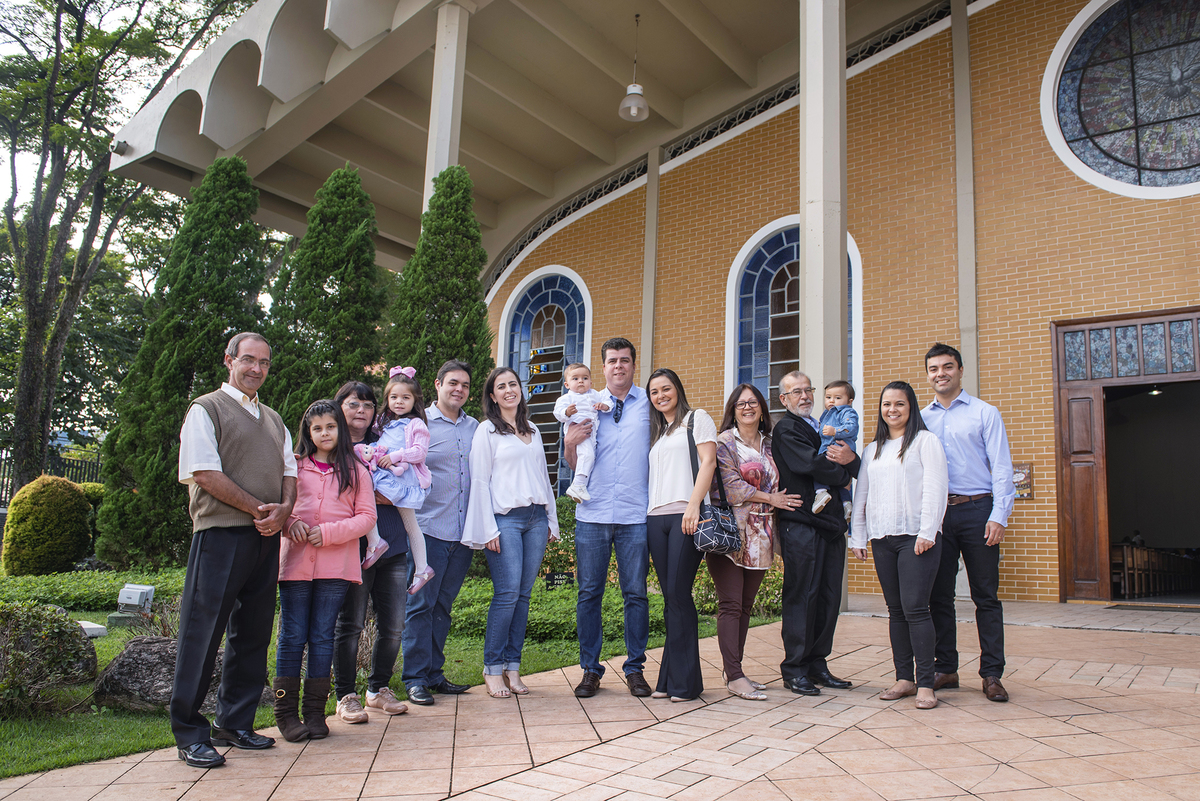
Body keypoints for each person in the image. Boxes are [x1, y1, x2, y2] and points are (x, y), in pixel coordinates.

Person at [172, 332, 297, 769]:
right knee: (201, 632)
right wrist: (258, 508)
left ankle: (235, 723)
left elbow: (289, 472)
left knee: (253, 632)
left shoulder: (274, 419)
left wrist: (282, 511)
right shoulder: (206, 409)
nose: (256, 369)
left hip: (265, 537)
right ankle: (190, 731)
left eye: (263, 362)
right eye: (248, 360)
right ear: (229, 361)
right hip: (222, 534)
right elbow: (204, 472)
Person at [275, 400, 377, 741]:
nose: (324, 433)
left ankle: (315, 713)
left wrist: (330, 533)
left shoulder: (356, 470)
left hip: (336, 568)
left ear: (340, 429)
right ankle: (286, 714)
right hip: (295, 565)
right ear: (308, 432)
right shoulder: (295, 467)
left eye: (330, 427)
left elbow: (367, 517)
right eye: (316, 428)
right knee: (292, 637)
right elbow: (281, 508)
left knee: (321, 636)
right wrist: (291, 524)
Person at [921, 343, 1016, 702]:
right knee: (938, 596)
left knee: (985, 597)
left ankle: (992, 673)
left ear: (960, 370)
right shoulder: (921, 417)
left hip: (978, 510)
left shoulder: (984, 413)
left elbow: (1002, 467)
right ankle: (945, 668)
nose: (940, 373)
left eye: (947, 367)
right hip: (938, 515)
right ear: (928, 374)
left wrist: (999, 516)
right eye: (933, 368)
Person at [563, 337, 653, 699]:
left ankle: (635, 669)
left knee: (636, 594)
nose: (619, 366)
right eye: (612, 361)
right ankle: (590, 670)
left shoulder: (649, 403)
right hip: (593, 512)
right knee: (589, 594)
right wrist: (570, 443)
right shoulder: (582, 401)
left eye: (625, 360)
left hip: (635, 514)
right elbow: (573, 461)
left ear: (634, 364)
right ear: (603, 367)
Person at [850, 382, 948, 710]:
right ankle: (903, 678)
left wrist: (928, 531)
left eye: (900, 404)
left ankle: (925, 684)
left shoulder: (925, 441)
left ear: (911, 407)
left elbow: (937, 487)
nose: (892, 410)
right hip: (882, 538)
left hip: (916, 537)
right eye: (887, 404)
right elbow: (861, 494)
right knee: (895, 610)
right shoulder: (872, 449)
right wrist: (859, 536)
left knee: (916, 608)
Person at [462, 368, 559, 698]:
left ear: (521, 389)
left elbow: (544, 477)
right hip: (504, 521)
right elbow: (479, 481)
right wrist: (486, 526)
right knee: (506, 594)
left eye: (513, 384)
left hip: (535, 520)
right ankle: (492, 669)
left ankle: (512, 667)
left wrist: (552, 520)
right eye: (500, 386)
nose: (508, 390)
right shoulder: (486, 431)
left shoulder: (532, 428)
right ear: (492, 395)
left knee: (523, 595)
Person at [710, 384, 802, 701]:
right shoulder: (724, 442)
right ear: (732, 409)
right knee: (731, 605)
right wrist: (771, 497)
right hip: (731, 532)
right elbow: (732, 488)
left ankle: (733, 669)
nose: (747, 407)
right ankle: (734, 676)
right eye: (741, 403)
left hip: (763, 534)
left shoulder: (772, 445)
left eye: (753, 402)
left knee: (746, 606)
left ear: (762, 408)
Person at [772, 370, 860, 697]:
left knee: (828, 597)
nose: (805, 396)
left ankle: (817, 664)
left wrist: (852, 463)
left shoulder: (823, 423)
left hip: (832, 526)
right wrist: (844, 473)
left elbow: (850, 457)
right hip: (802, 525)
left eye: (808, 390)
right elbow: (808, 464)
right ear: (784, 399)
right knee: (803, 596)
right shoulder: (787, 428)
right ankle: (794, 668)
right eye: (796, 392)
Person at [331, 381, 411, 723]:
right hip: (355, 547)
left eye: (366, 405)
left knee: (393, 624)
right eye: (353, 404)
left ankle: (378, 689)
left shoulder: (384, 444)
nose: (361, 410)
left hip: (392, 541)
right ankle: (346, 695)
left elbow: (409, 482)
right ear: (340, 408)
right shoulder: (331, 447)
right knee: (351, 623)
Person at [402, 360, 477, 706]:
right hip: (427, 532)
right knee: (420, 605)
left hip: (461, 536)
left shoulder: (476, 427)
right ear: (437, 384)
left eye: (464, 384)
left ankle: (434, 673)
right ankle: (415, 678)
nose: (458, 389)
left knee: (442, 607)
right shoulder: (419, 426)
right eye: (452, 383)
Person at [643, 368, 715, 702]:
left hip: (686, 515)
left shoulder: (696, 418)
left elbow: (709, 463)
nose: (660, 396)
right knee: (670, 598)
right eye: (654, 392)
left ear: (678, 389)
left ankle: (686, 684)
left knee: (678, 593)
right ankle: (668, 681)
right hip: (656, 519)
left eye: (666, 389)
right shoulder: (658, 431)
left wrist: (694, 505)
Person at [360, 366, 434, 593]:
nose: (399, 402)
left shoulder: (416, 424)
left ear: (415, 400)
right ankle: (378, 544)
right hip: (387, 474)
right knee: (367, 499)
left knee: (411, 525)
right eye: (393, 397)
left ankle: (418, 567)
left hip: (401, 479)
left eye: (405, 397)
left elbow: (419, 453)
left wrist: (396, 455)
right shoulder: (385, 421)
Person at [553, 363, 610, 503]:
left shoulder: (595, 394)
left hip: (591, 432)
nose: (580, 381)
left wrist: (604, 406)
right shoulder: (566, 399)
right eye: (575, 378)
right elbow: (557, 413)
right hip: (577, 431)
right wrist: (566, 412)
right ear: (567, 384)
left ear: (590, 382)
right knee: (587, 455)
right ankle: (578, 484)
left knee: (590, 457)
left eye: (584, 378)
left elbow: (608, 401)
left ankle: (580, 485)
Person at [813, 380, 859, 519]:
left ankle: (821, 492)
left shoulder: (847, 412)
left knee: (819, 469)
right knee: (841, 483)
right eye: (828, 397)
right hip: (833, 449)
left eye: (838, 398)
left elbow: (851, 427)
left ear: (849, 401)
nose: (832, 401)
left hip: (836, 449)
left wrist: (835, 430)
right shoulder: (827, 414)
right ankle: (846, 504)